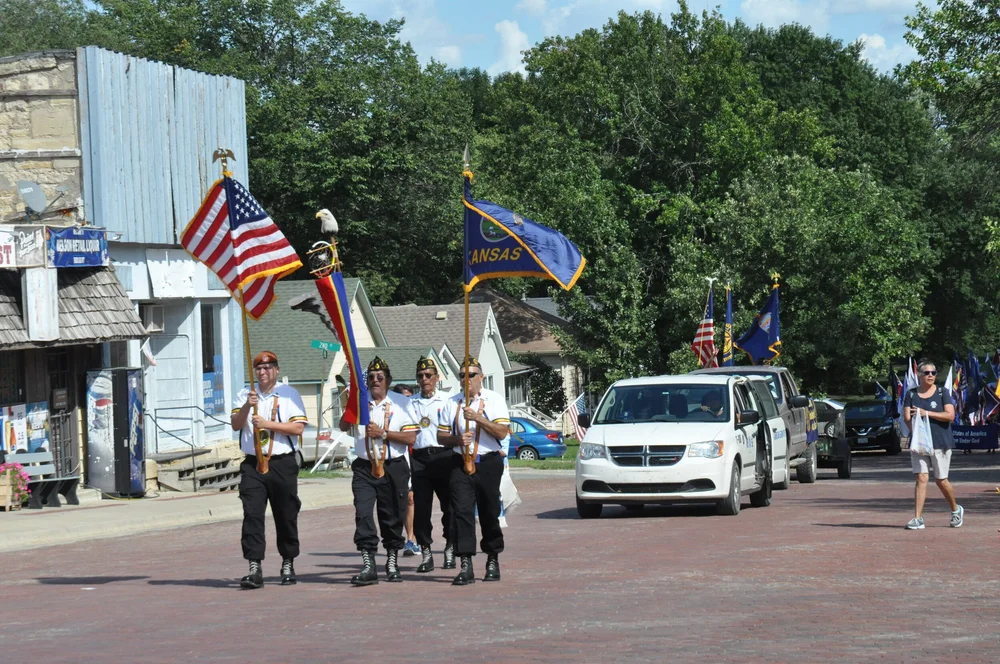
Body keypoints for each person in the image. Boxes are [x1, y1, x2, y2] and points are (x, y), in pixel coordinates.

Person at [231, 351, 309, 589]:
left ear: (276, 370)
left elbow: (297, 428)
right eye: (259, 369)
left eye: (268, 368)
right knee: (252, 514)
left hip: (281, 463)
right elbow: (235, 424)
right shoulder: (246, 394)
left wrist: (267, 424)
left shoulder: (288, 394)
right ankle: (254, 567)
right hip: (253, 463)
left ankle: (287, 562)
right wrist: (247, 405)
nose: (263, 373)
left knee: (285, 514)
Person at [340, 357, 418, 585]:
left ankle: (392, 560)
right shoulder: (360, 401)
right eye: (371, 378)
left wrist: (384, 434)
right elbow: (343, 427)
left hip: (393, 466)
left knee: (392, 515)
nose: (375, 381)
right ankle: (368, 564)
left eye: (380, 377)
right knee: (363, 513)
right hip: (364, 466)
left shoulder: (401, 403)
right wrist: (350, 406)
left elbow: (411, 437)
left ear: (388, 380)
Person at [439, 356, 511, 585]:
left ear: (481, 377)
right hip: (460, 462)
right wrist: (457, 439)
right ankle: (466, 563)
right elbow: (441, 437)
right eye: (462, 375)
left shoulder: (494, 400)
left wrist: (478, 418)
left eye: (471, 375)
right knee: (461, 511)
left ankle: (492, 557)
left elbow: (502, 433)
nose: (466, 379)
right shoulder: (452, 403)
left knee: (489, 512)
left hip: (488, 462)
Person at [407, 356, 458, 572]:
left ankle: (450, 547)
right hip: (419, 459)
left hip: (444, 457)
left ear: (437, 378)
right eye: (420, 376)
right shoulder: (410, 402)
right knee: (421, 510)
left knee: (450, 507)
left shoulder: (448, 400)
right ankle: (426, 552)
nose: (424, 379)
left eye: (428, 375)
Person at [903, 359, 964, 530]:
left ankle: (955, 509)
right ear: (919, 375)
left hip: (940, 441)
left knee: (941, 480)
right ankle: (917, 518)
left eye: (933, 373)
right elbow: (907, 417)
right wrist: (916, 433)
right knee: (921, 477)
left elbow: (950, 416)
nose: (930, 375)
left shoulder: (942, 392)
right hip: (919, 444)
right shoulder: (911, 394)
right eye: (927, 373)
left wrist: (927, 413)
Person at [393, 383, 420, 557]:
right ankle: (410, 539)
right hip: (403, 458)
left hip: (421, 457)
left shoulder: (417, 410)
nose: (408, 401)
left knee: (419, 500)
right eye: (405, 398)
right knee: (408, 499)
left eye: (410, 397)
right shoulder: (395, 413)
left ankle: (420, 536)